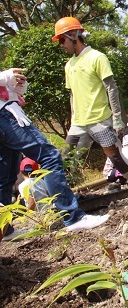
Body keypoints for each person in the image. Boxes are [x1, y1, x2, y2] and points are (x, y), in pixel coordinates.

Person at [0, 67, 110, 241]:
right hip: (5, 114)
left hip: (6, 111)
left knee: (5, 174)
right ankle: (73, 217)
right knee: (49, 156)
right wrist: (6, 77)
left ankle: (4, 230)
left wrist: (16, 84)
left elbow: (9, 89)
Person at [52, 17, 128, 189]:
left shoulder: (97, 57)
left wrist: (117, 117)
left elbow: (111, 88)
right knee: (67, 159)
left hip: (100, 120)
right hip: (79, 123)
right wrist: (73, 118)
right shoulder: (69, 65)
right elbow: (72, 94)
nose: (61, 45)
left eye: (62, 40)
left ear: (73, 35)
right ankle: (68, 194)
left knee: (115, 157)